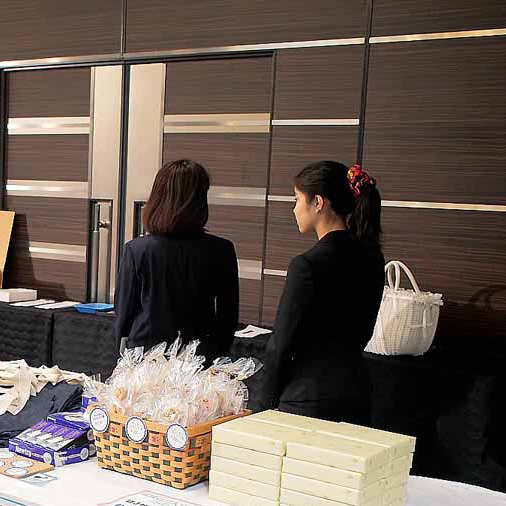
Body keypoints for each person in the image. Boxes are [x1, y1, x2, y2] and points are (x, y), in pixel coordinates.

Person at [255, 161, 385, 424]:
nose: (294, 208)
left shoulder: (306, 265)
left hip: (307, 399)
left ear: (317, 202)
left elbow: (281, 345)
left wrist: (261, 404)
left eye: (297, 199)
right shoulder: (373, 258)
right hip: (357, 393)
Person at [114, 159, 238, 360]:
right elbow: (228, 318)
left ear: (158, 198)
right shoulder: (222, 250)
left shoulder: (137, 250)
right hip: (200, 359)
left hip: (146, 358)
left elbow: (123, 316)